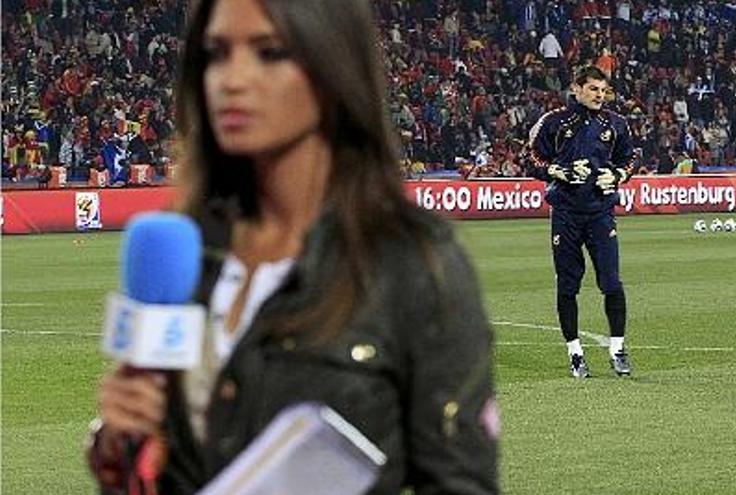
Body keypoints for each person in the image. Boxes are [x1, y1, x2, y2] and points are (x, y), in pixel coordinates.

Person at [87, 0, 499, 493]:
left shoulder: (413, 262)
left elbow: (461, 483)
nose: (231, 79)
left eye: (270, 52)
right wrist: (121, 449)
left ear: (334, 72)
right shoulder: (186, 250)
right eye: (216, 53)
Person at [526, 65, 635, 378]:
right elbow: (531, 157)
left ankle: (618, 349)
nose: (599, 95)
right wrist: (554, 171)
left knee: (611, 282)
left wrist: (616, 175)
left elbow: (630, 159)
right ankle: (575, 352)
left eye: (603, 90)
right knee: (568, 285)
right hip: (566, 214)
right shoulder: (554, 122)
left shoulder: (616, 124)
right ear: (576, 88)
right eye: (593, 89)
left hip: (601, 213)